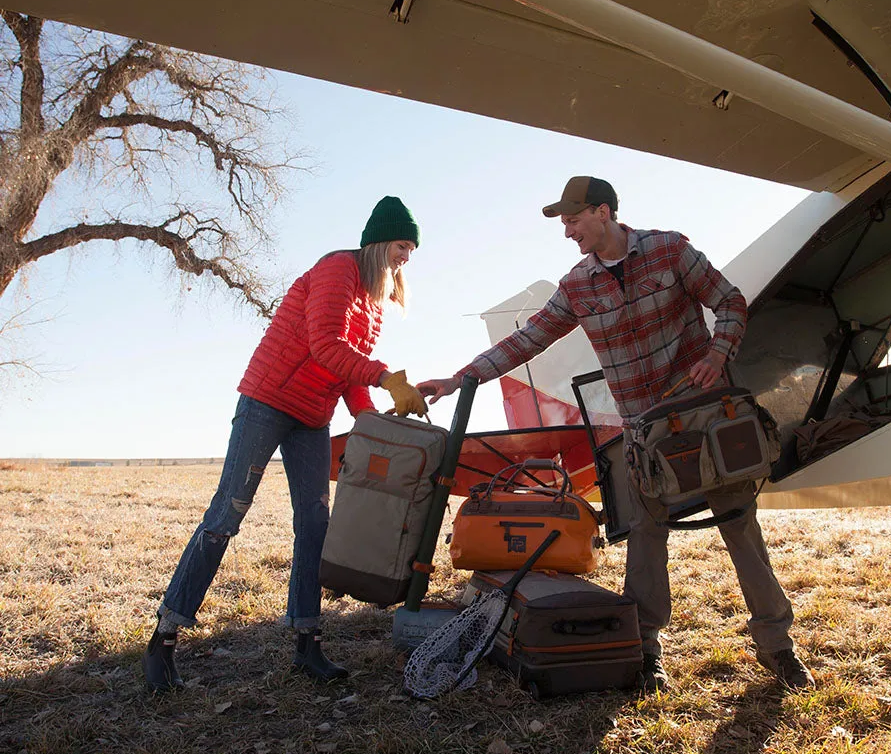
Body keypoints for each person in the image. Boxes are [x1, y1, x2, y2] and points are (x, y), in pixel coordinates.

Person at [418, 177, 813, 692]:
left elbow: (731, 302)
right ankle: (646, 648)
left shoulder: (670, 250)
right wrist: (461, 377)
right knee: (647, 537)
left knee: (739, 524)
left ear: (603, 212)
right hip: (645, 434)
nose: (567, 231)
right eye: (563, 222)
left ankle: (777, 646)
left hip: (704, 418)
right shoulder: (578, 286)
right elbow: (528, 339)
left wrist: (720, 355)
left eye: (574, 219)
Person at [142, 196, 428, 693]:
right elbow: (324, 345)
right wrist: (386, 377)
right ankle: (164, 639)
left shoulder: (374, 304)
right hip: (268, 402)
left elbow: (347, 373)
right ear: (380, 243)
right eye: (403, 246)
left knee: (316, 522)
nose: (407, 258)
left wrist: (375, 422)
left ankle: (306, 642)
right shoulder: (338, 270)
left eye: (413, 250)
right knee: (226, 516)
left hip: (311, 419)